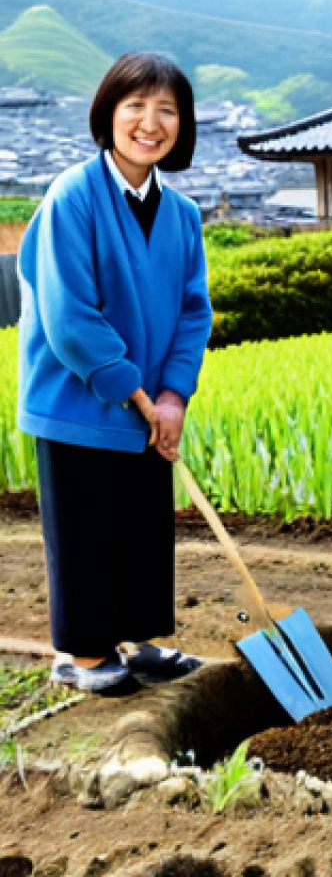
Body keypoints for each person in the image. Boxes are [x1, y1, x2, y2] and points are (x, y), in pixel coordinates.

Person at [17, 52, 213, 694]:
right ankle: (84, 655)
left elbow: (193, 312)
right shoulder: (73, 195)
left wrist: (173, 396)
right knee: (85, 527)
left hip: (150, 402)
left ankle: (139, 639)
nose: (150, 123)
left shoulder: (182, 214)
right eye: (136, 107)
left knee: (141, 524)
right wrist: (136, 393)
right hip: (79, 403)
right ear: (109, 113)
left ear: (181, 126)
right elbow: (70, 315)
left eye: (167, 110)